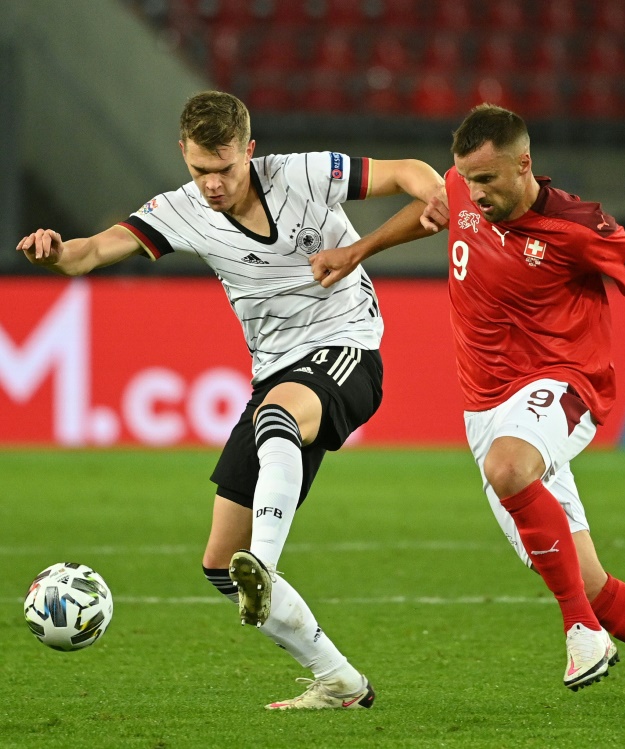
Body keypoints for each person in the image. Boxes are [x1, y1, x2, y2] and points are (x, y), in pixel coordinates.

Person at [310, 103, 625, 722]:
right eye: (468, 181)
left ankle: (579, 631)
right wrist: (360, 250)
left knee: (510, 470)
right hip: (484, 407)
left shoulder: (579, 225)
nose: (475, 193)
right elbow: (436, 214)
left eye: (488, 180)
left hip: (564, 382)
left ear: (524, 164)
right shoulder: (462, 187)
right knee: (594, 587)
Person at [16, 90, 447, 710]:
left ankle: (264, 565)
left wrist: (433, 190)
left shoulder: (302, 172)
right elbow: (88, 253)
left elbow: (407, 173)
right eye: (199, 170)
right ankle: (339, 682)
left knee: (276, 424)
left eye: (224, 168)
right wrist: (56, 253)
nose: (213, 184)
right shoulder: (180, 210)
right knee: (220, 562)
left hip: (348, 348)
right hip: (274, 371)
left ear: (250, 150)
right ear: (183, 156)